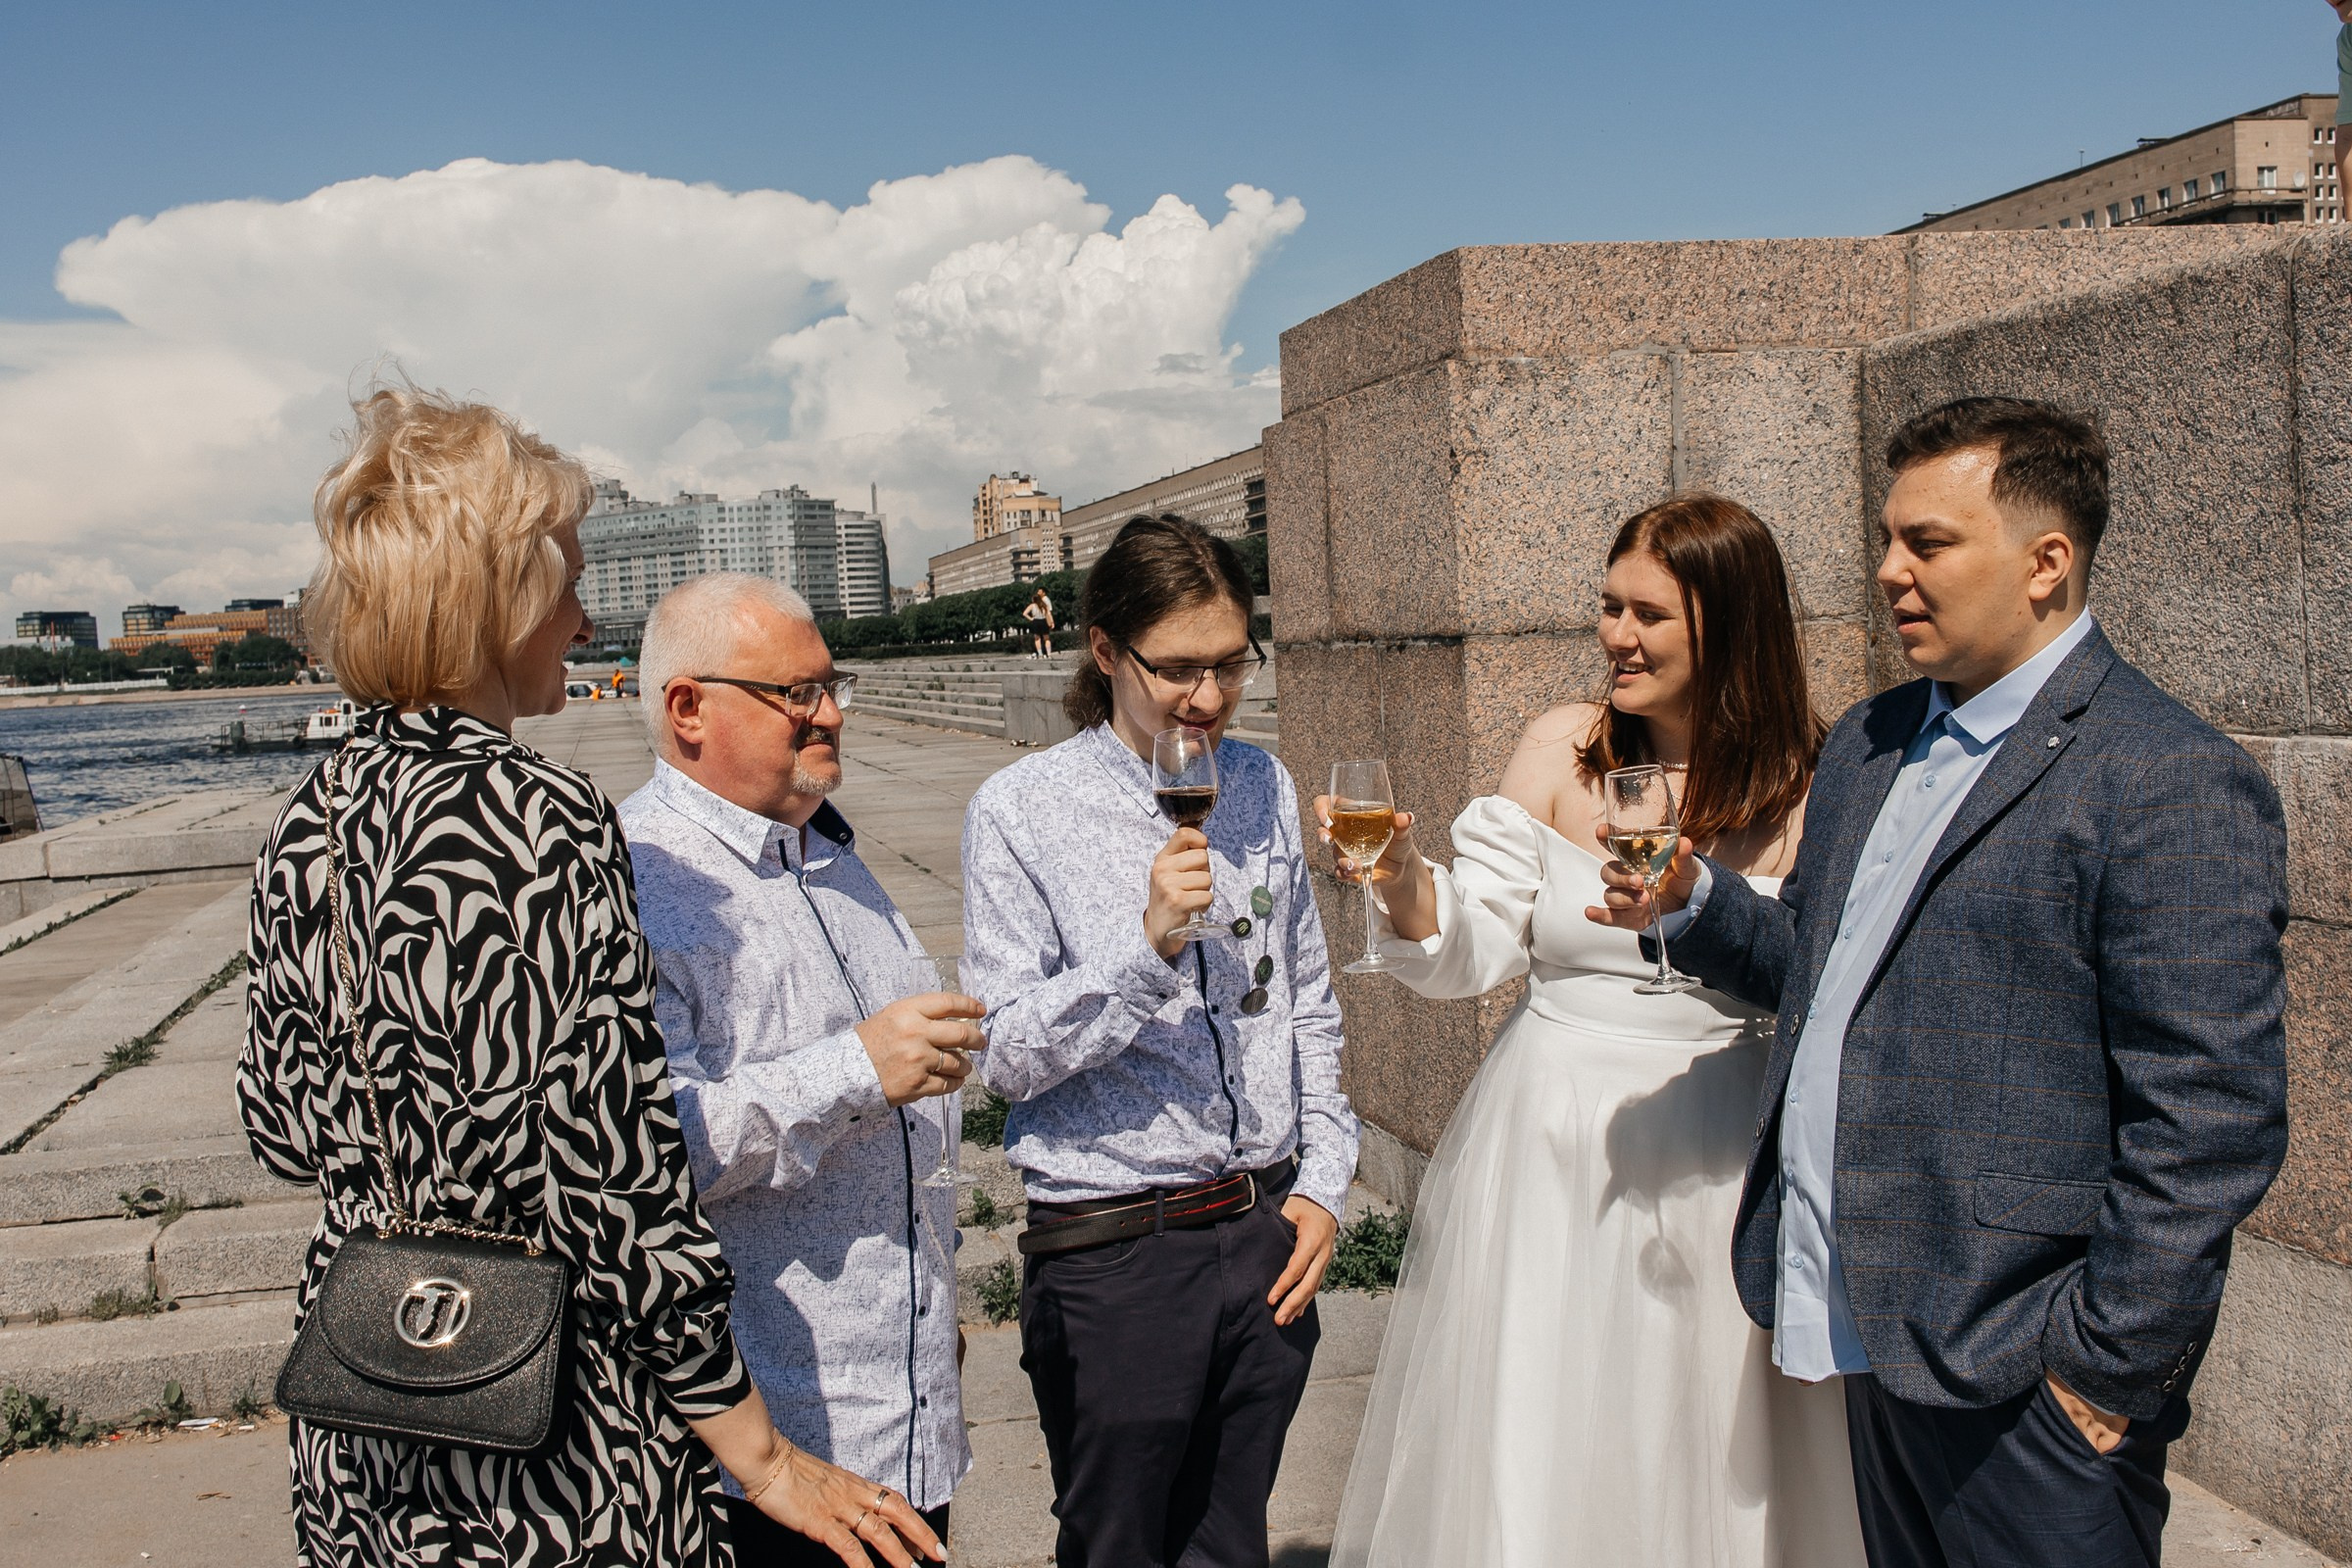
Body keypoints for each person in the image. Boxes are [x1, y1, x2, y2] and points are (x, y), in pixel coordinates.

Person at [239, 388, 942, 1568]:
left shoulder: (308, 819)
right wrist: (759, 1452)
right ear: (496, 597)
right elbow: (615, 1179)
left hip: (370, 1397)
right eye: (563, 577)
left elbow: (278, 1121)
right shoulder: (535, 815)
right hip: (545, 1430)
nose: (581, 613)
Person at [1593, 398, 2290, 1567]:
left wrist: (2103, 1372)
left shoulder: (2169, 776)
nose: (1886, 570)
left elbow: (2210, 1119)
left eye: (1929, 542)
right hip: (1873, 1336)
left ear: (2046, 563)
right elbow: (1814, 976)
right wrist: (1698, 904)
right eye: (1886, 537)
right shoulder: (1870, 741)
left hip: (2028, 1379)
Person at [1323, 496, 1865, 1567]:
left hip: (1722, 1159)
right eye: (1609, 608)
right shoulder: (1560, 748)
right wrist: (1399, 881)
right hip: (1557, 1148)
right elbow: (1472, 944)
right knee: (1548, 1428)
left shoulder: (1816, 778)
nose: (1618, 636)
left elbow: (1822, 975)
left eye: (1649, 614)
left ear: (1729, 623)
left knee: (1711, 1438)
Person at [959, 515, 1360, 1568]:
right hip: (1116, 1251)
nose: (1211, 698)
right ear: (1105, 651)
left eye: (1232, 664)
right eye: (1179, 669)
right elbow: (1002, 1053)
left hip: (1262, 1233)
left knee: (1233, 1546)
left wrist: (1321, 1179)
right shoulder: (1021, 811)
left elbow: (1306, 996)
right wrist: (1145, 949)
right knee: (1118, 1547)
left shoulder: (1263, 786)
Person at [620, 573, 980, 1564]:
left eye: (833, 687)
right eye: (797, 694)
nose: (829, 714)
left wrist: (936, 1301)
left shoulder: (830, 853)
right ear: (687, 708)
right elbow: (640, 1155)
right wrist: (853, 1069)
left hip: (904, 1419)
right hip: (761, 1455)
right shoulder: (635, 882)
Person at [1021, 586, 1055, 658]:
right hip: (1044, 621)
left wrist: (1031, 619)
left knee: (1037, 638)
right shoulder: (1044, 605)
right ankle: (1049, 654)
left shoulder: (1032, 605)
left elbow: (1024, 613)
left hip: (1036, 621)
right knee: (1046, 638)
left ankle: (1040, 654)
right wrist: (1052, 622)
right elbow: (1048, 614)